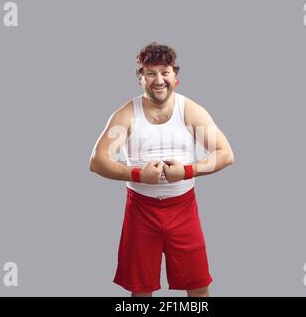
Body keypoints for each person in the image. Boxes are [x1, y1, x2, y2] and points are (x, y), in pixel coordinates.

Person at [89, 42, 235, 297]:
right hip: (141, 211)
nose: (159, 80)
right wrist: (137, 174)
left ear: (175, 77)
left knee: (198, 287)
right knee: (141, 290)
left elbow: (225, 154)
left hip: (183, 209)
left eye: (165, 72)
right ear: (140, 78)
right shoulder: (127, 115)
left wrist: (188, 171)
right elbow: (98, 161)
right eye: (151, 73)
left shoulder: (190, 111)